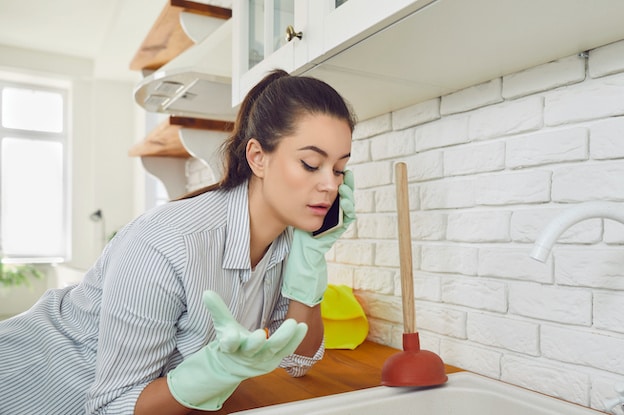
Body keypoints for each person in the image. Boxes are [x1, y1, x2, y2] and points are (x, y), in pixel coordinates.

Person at [0, 69, 357, 414]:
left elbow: (297, 359)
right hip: (29, 386)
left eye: (339, 168)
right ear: (258, 158)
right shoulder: (166, 243)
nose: (331, 184)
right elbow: (113, 407)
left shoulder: (286, 245)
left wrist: (309, 267)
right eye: (311, 164)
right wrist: (213, 374)